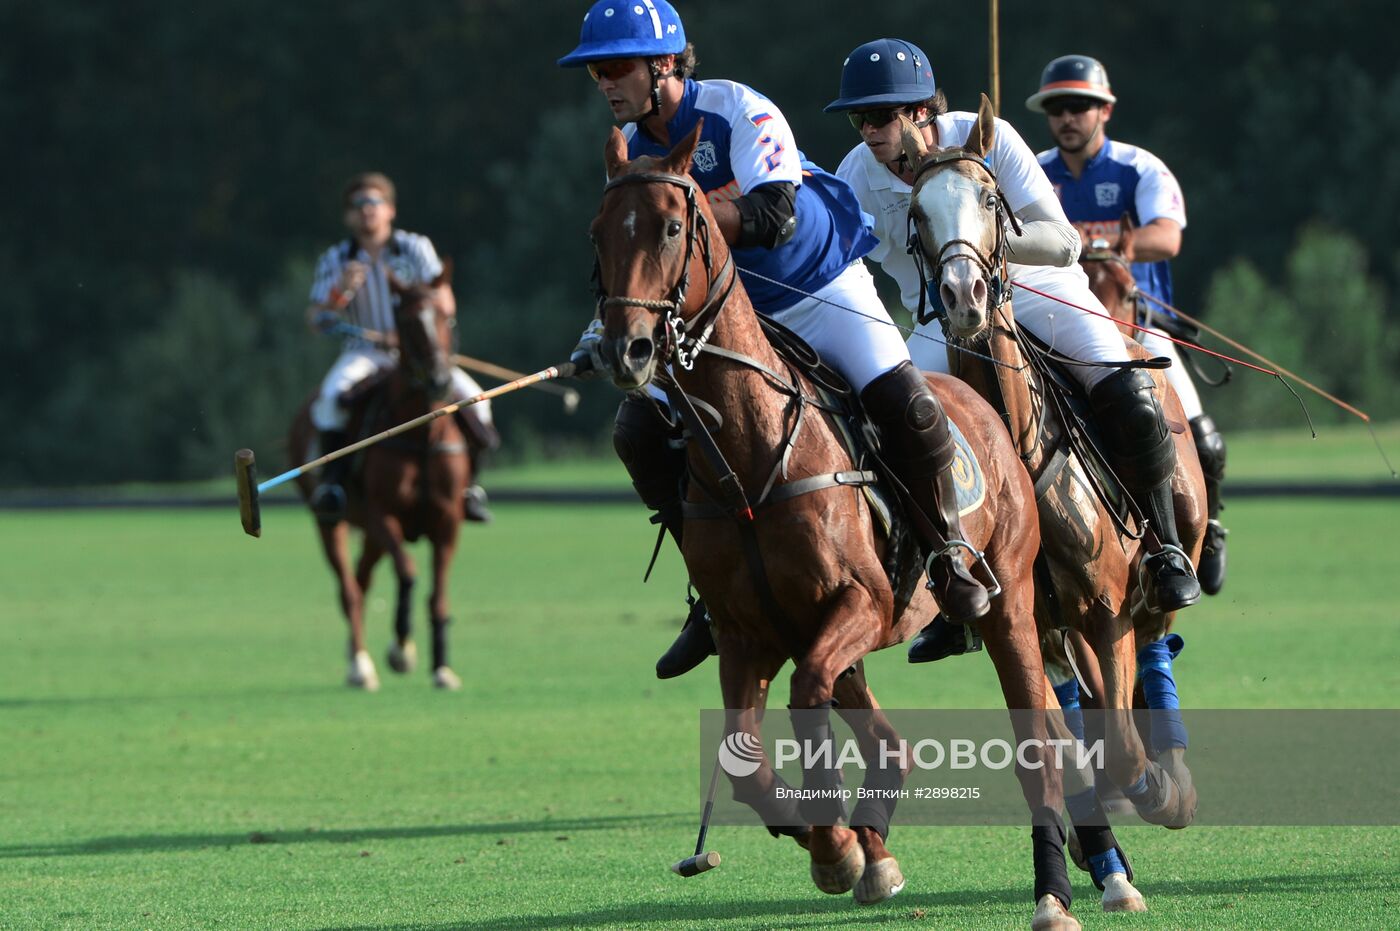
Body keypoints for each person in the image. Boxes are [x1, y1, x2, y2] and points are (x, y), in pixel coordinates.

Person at [560, 1, 991, 680]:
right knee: (638, 430)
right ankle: (711, 597)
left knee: (909, 405)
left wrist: (685, 216)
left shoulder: (738, 110)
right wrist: (603, 330)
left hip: (818, 290)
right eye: (596, 74)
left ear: (665, 63)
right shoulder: (637, 150)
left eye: (615, 68)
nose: (605, 84)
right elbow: (637, 261)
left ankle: (949, 555)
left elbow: (774, 216)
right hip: (733, 316)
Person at [826, 39, 1201, 665]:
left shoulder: (990, 138)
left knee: (1128, 387)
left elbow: (1063, 244)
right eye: (858, 117)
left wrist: (979, 245)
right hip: (937, 318)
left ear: (922, 111)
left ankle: (1163, 548)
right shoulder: (855, 175)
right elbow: (835, 255)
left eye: (882, 115)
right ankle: (948, 587)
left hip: (1034, 292)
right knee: (898, 429)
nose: (869, 130)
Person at [1028, 54, 1227, 595]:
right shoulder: (1033, 171)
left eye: (1079, 107)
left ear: (1105, 110)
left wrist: (1109, 245)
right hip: (1055, 324)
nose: (1067, 118)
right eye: (1057, 108)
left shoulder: (1139, 168)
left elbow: (1168, 235)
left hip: (1141, 324)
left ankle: (1204, 530)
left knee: (1200, 436)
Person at [305, 172, 498, 524]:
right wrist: (340, 292)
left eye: (373, 203)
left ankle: (470, 487)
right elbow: (317, 319)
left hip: (420, 355)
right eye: (358, 205)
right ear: (348, 215)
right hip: (365, 353)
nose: (366, 211)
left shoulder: (415, 248)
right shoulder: (335, 260)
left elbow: (445, 301)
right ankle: (333, 486)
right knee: (331, 399)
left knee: (477, 400)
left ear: (390, 209)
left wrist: (412, 336)